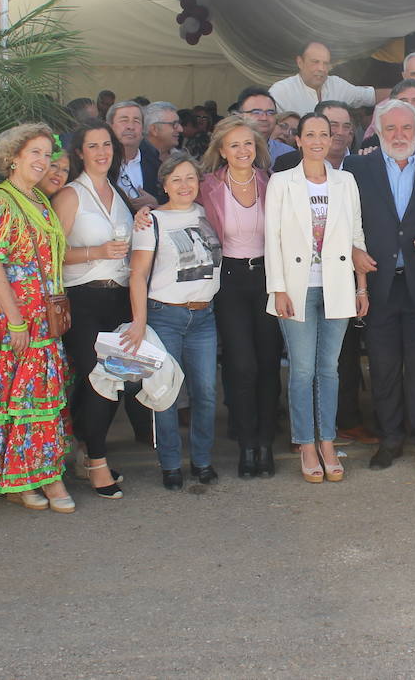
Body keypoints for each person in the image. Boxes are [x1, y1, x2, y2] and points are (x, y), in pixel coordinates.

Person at [0, 124, 75, 512]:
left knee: (39, 400)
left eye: (47, 155)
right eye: (35, 153)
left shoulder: (41, 201)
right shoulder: (0, 202)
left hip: (44, 317)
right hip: (17, 317)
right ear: (14, 156)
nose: (42, 162)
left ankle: (39, 475)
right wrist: (15, 321)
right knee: (21, 400)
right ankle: (31, 479)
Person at [345, 100, 415, 474]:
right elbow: (344, 220)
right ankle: (389, 440)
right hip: (377, 285)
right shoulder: (356, 168)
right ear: (377, 131)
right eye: (391, 129)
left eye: (407, 128)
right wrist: (353, 250)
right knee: (384, 368)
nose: (399, 135)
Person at [265, 113, 368, 483]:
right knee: (303, 368)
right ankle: (305, 444)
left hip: (337, 286)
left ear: (332, 139)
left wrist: (361, 287)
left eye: (324, 134)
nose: (318, 141)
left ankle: (327, 442)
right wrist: (278, 288)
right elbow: (272, 240)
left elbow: (357, 236)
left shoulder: (346, 181)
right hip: (297, 288)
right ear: (298, 140)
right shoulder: (281, 182)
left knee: (329, 368)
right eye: (310, 134)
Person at [53, 119, 140, 500]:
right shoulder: (71, 195)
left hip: (118, 298)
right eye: (93, 146)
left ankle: (84, 448)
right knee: (97, 380)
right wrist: (96, 252)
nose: (102, 152)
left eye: (107, 144)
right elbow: (50, 256)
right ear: (79, 153)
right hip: (84, 298)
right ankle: (97, 463)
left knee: (120, 380)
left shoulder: (119, 192)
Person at [125, 153, 223, 491]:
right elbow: (137, 275)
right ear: (164, 185)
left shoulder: (204, 212)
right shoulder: (151, 221)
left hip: (204, 316)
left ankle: (202, 460)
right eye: (177, 179)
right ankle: (170, 464)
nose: (185, 185)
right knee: (166, 392)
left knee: (206, 392)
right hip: (165, 315)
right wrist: (139, 322)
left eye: (191, 178)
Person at [198, 116, 283, 478]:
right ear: (221, 151)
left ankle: (265, 443)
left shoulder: (273, 184)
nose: (242, 151)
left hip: (267, 276)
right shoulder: (207, 186)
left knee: (267, 363)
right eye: (234, 145)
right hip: (229, 280)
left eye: (248, 143)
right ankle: (246, 444)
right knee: (241, 365)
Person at [268, 41, 385, 115]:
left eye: (325, 63)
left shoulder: (337, 85)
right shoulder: (281, 91)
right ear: (300, 62)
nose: (321, 68)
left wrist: (402, 93)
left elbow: (371, 96)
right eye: (315, 62)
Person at [108, 100, 163, 207]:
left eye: (136, 121)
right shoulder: (100, 163)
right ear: (109, 127)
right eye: (124, 120)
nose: (130, 127)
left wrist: (156, 203)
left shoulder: (155, 164)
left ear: (143, 129)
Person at [235, 85, 294, 162]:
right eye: (256, 112)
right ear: (240, 116)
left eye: (270, 112)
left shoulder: (288, 154)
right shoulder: (228, 151)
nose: (264, 118)